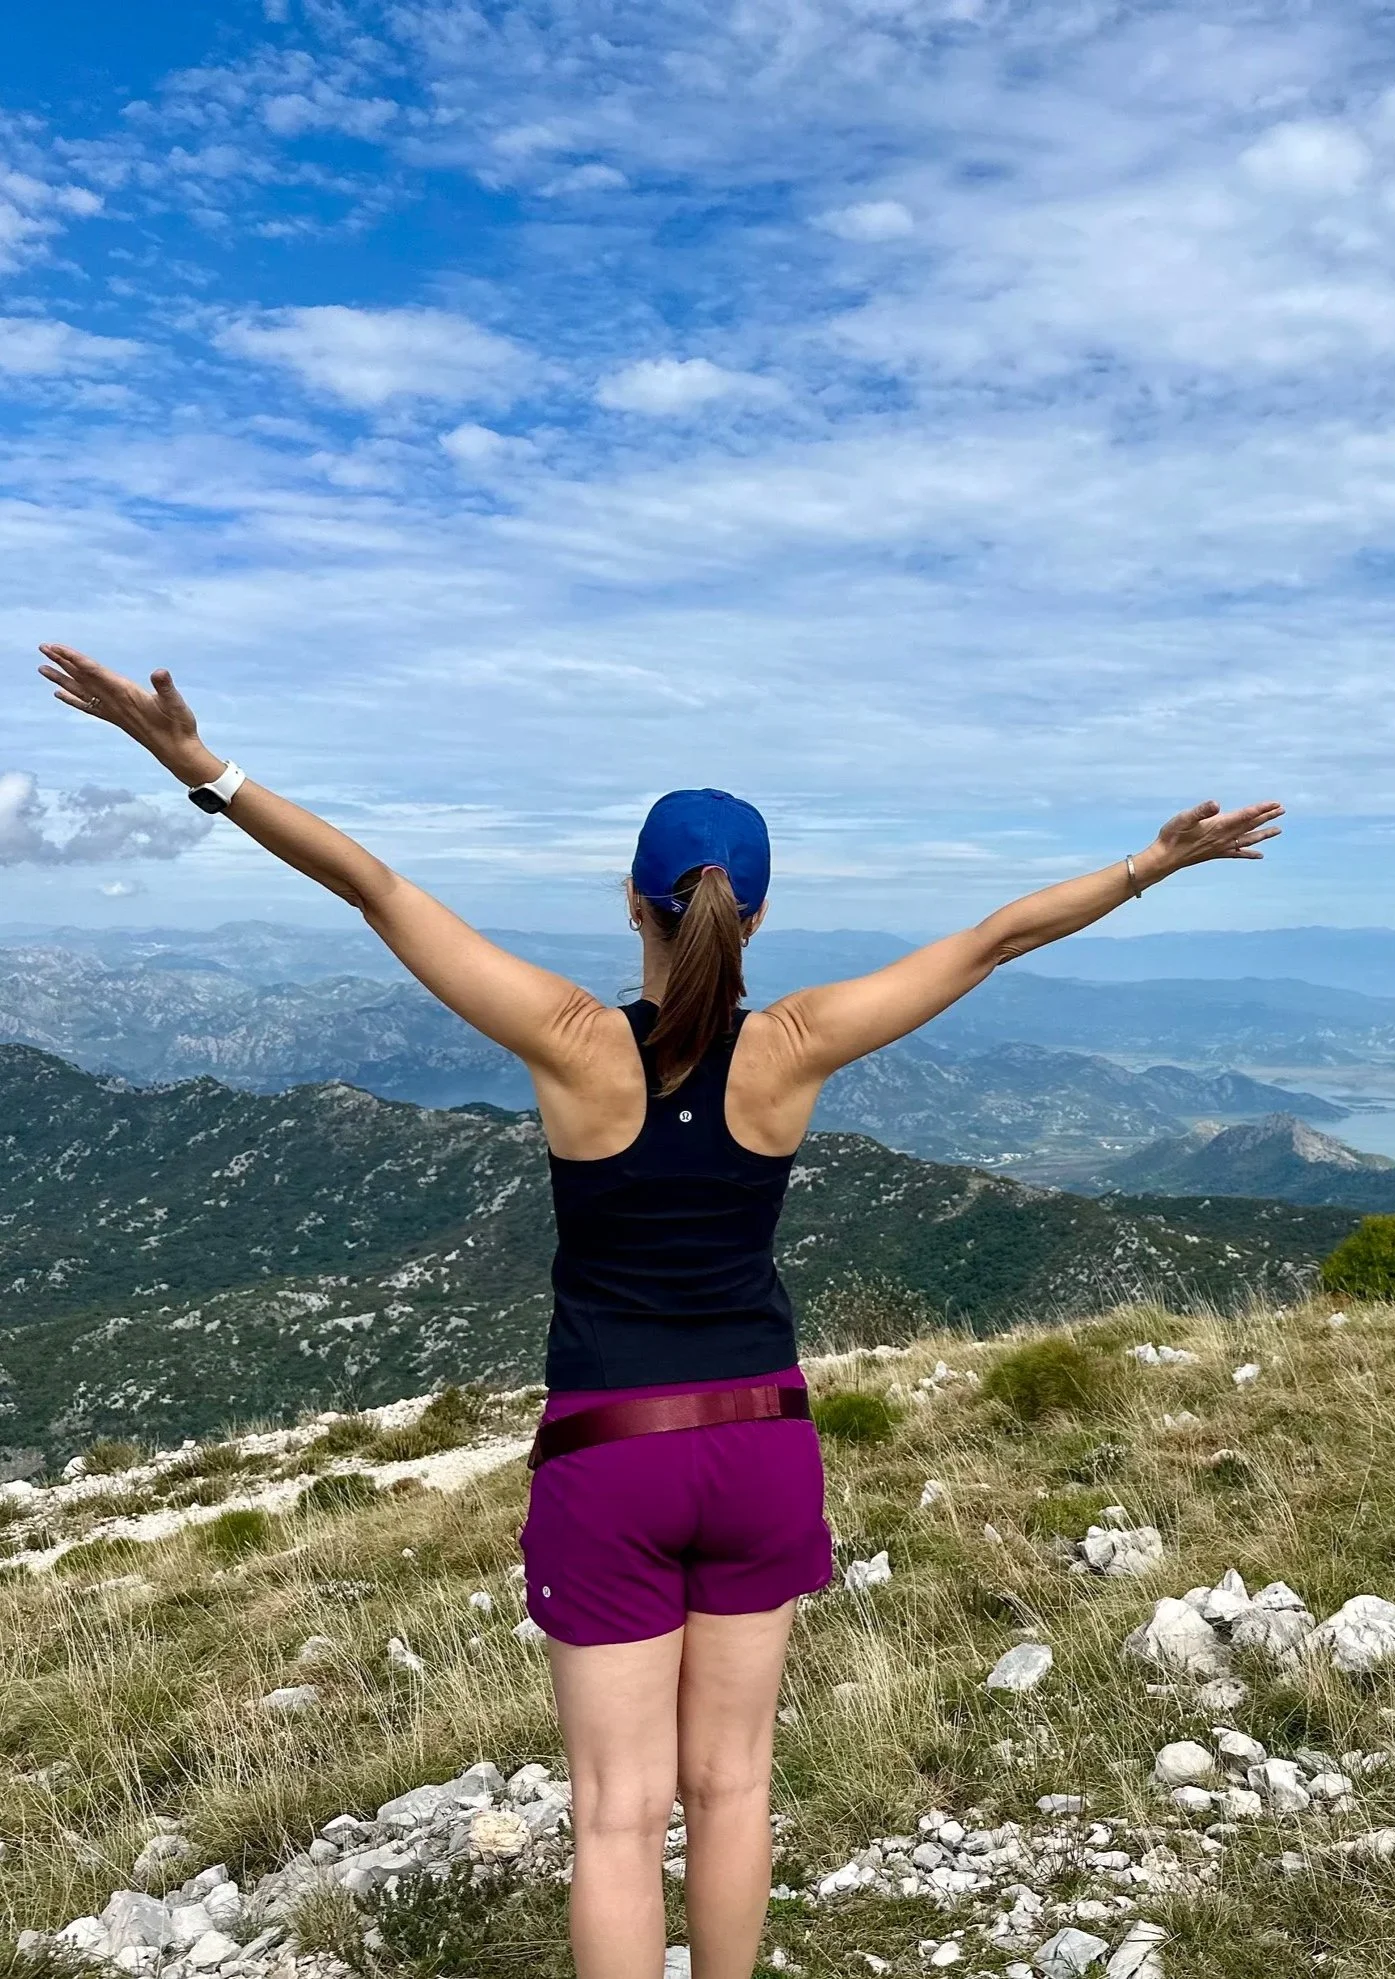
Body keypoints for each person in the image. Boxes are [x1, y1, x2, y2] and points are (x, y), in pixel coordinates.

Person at [36, 642, 1282, 1979]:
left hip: (608, 1455)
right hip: (759, 1440)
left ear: (634, 902)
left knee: (620, 1816)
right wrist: (1155, 864)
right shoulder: (795, 1043)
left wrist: (200, 769)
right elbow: (994, 937)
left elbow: (374, 887)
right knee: (733, 1787)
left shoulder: (570, 1038)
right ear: (757, 920)